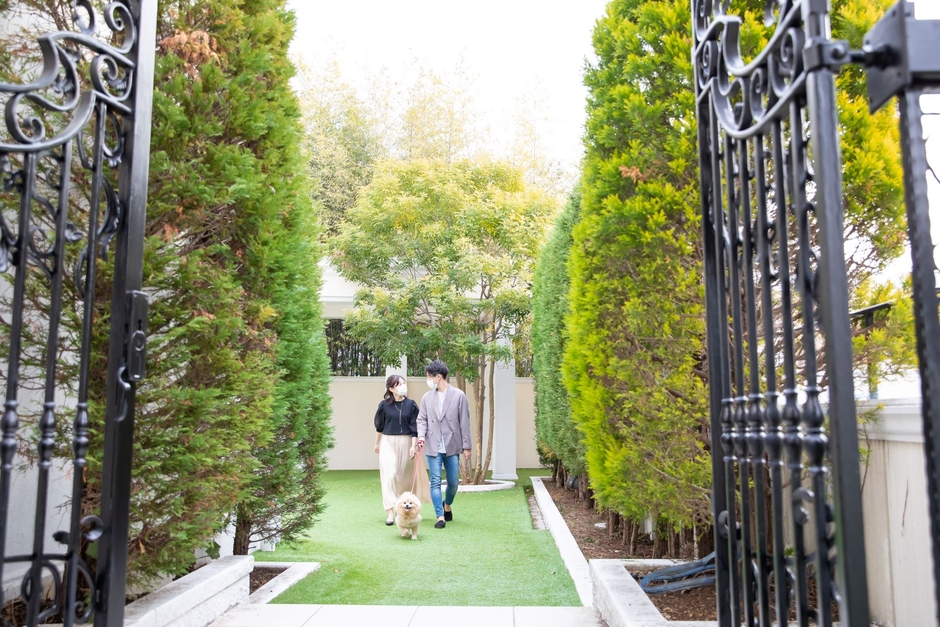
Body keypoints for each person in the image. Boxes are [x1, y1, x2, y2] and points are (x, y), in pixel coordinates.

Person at [416, 360, 472, 529]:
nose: (428, 379)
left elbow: (464, 422)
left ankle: (447, 504)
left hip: (451, 444)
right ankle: (440, 516)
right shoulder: (427, 397)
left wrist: (467, 446)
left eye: (429, 376)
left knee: (453, 482)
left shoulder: (459, 395)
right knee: (435, 481)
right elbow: (421, 419)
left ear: (438, 376)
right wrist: (421, 436)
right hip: (433, 445)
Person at [374, 374, 431, 525]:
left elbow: (415, 428)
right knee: (389, 475)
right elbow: (379, 426)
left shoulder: (411, 405)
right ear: (391, 388)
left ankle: (405, 508)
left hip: (406, 442)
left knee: (405, 477)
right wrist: (377, 443)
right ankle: (390, 511)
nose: (402, 386)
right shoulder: (384, 405)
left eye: (403, 383)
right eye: (399, 384)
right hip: (388, 442)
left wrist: (413, 446)